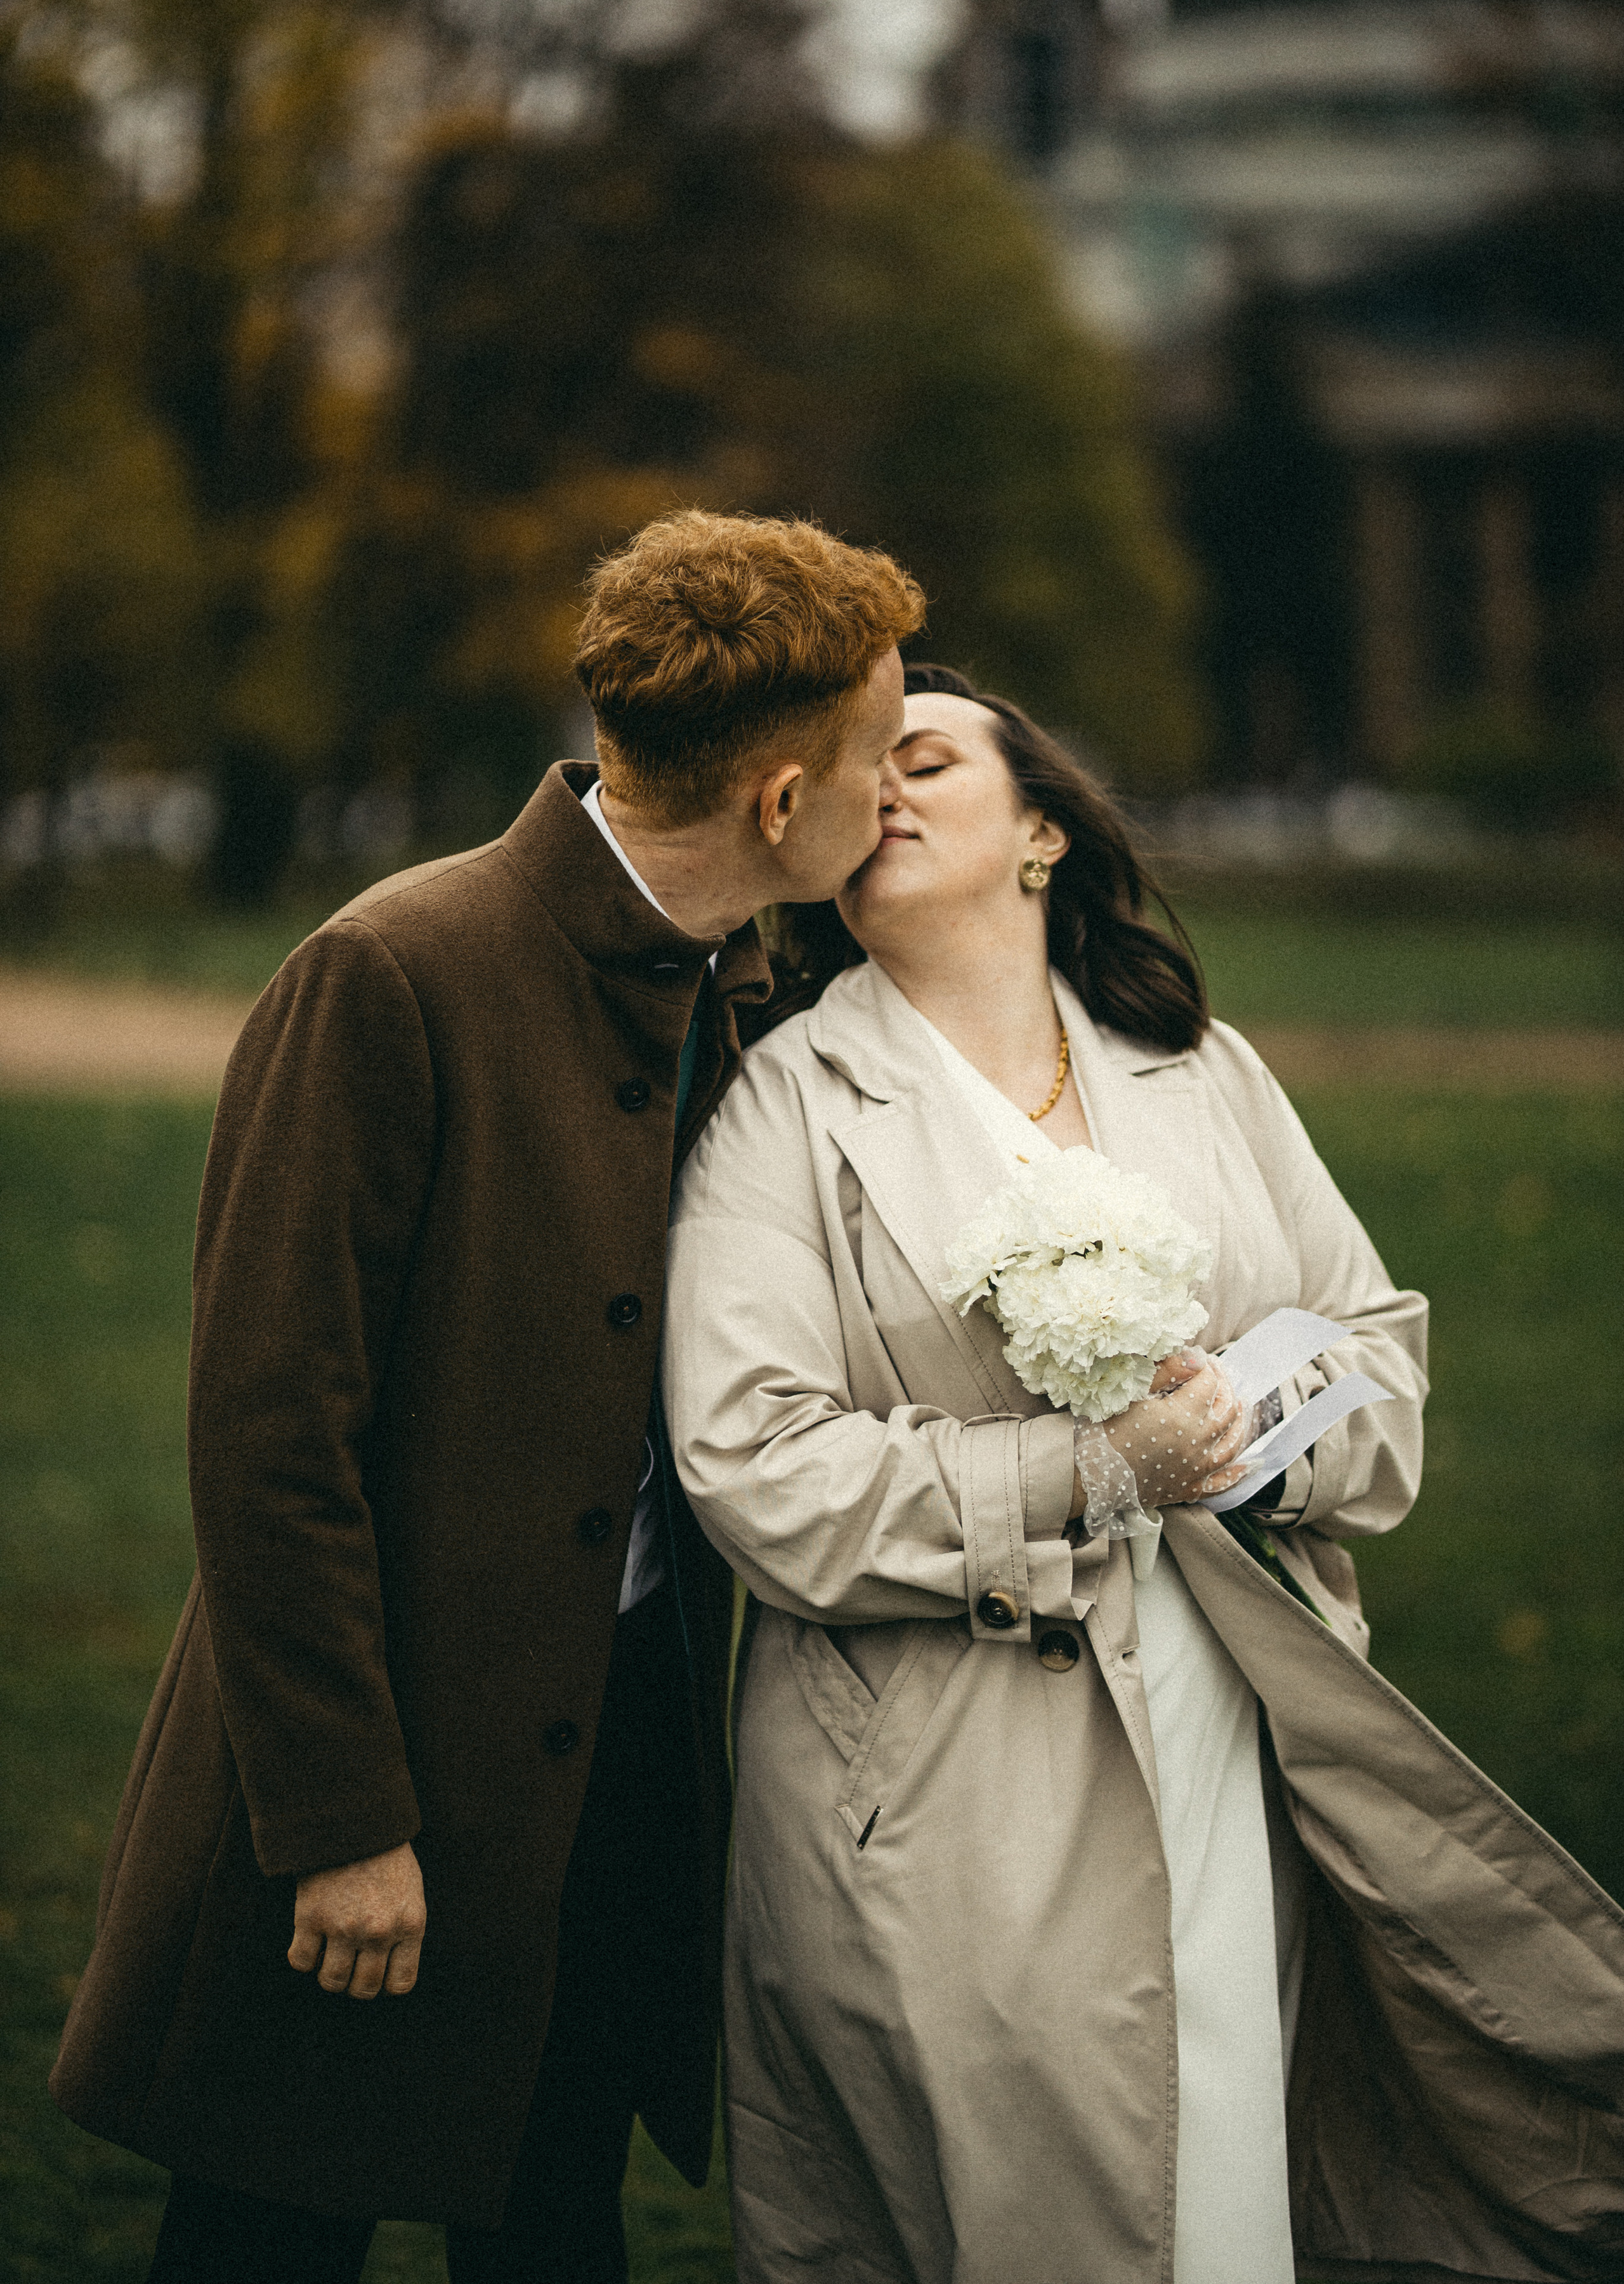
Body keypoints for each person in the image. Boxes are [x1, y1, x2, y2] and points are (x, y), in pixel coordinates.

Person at [662, 663, 1624, 2284]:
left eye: (923, 758)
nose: (878, 784)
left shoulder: (1199, 1067)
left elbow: (1371, 1354)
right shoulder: (783, 1104)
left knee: (1224, 2178)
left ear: (1041, 829)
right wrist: (1092, 1468)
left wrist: (1240, 1433)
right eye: (851, 767)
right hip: (941, 1781)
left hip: (1226, 1721)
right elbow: (755, 1465)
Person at [48, 511, 922, 2282]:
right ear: (779, 804)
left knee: (553, 2233)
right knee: (264, 2243)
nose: (897, 792)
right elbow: (269, 1441)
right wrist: (342, 1823)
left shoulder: (751, 987)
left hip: (611, 1778)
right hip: (368, 1773)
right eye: (882, 756)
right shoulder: (390, 971)